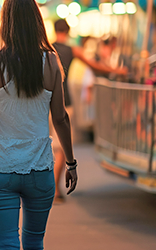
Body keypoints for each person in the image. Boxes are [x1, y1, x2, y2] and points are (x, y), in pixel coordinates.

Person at [0, 0, 78, 250]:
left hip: (1, 167)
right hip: (40, 168)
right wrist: (70, 161)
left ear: (4, 22)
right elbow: (60, 117)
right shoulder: (51, 61)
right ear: (36, 22)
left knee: (7, 242)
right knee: (35, 242)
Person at [52, 20, 125, 202]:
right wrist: (116, 70)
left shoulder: (46, 49)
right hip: (64, 101)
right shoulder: (72, 50)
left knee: (44, 145)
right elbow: (95, 66)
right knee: (61, 147)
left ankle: (44, 188)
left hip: (42, 102)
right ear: (67, 31)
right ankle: (54, 189)